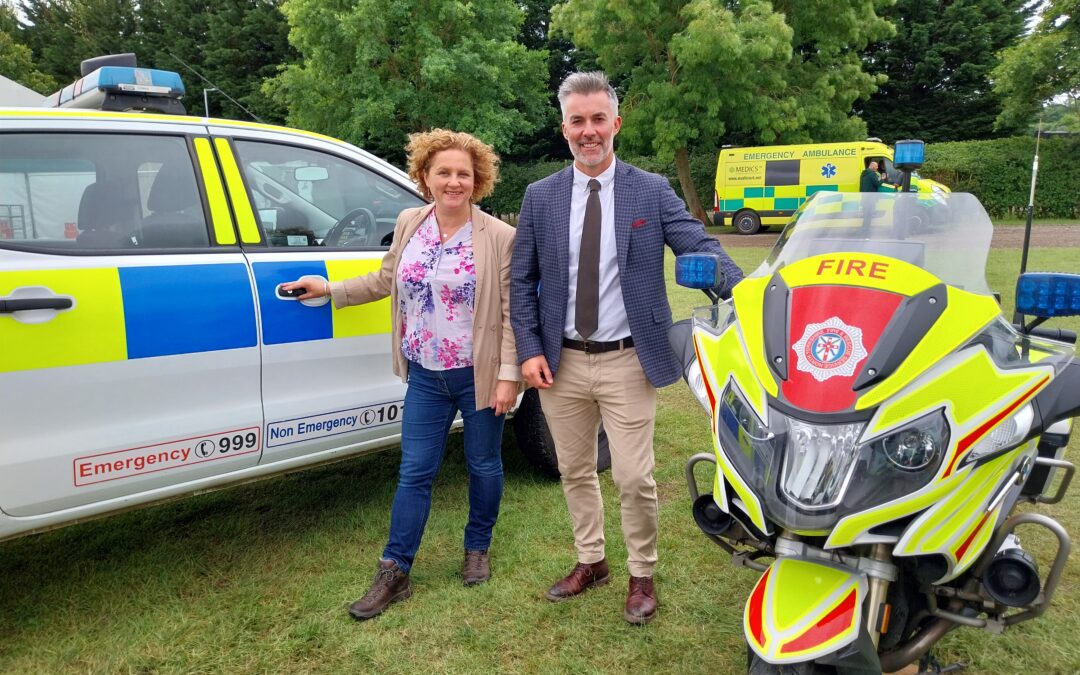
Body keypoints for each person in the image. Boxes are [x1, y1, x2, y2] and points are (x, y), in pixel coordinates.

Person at [509, 72, 743, 625]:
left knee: (634, 477)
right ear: (563, 127)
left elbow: (699, 244)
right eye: (577, 121)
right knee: (574, 469)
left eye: (598, 119)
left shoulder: (651, 190)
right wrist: (528, 349)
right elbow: (520, 281)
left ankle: (642, 573)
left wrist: (751, 291)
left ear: (615, 123)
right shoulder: (540, 196)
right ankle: (591, 561)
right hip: (559, 363)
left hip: (628, 359)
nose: (588, 131)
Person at [282, 129, 520, 620]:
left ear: (478, 180)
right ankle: (395, 570)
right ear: (424, 177)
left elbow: (513, 311)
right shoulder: (412, 220)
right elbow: (387, 278)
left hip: (479, 373)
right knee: (414, 472)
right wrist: (329, 289)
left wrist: (508, 376)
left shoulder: (499, 236)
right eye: (443, 173)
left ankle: (477, 547)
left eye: (463, 174)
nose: (454, 182)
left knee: (483, 464)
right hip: (425, 374)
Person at [860, 160, 883, 230]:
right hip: (870, 199)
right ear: (872, 166)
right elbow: (877, 183)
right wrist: (882, 179)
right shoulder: (872, 174)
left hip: (864, 198)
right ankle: (865, 231)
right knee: (869, 216)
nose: (877, 168)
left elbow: (863, 185)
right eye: (876, 166)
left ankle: (864, 230)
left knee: (866, 216)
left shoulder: (864, 174)